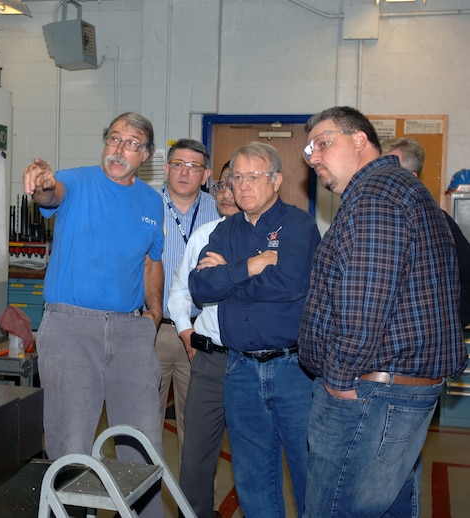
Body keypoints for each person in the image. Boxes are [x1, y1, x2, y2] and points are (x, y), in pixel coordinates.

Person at [299, 106, 468, 517]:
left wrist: (339, 380)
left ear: (360, 140)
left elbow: (365, 298)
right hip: (392, 389)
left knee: (333, 509)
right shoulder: (396, 190)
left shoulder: (375, 194)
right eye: (309, 150)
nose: (314, 157)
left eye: (324, 143)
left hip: (370, 391)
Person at [23, 112, 165, 517]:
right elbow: (51, 193)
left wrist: (153, 314)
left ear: (146, 155)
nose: (119, 149)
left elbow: (151, 260)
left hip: (131, 332)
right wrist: (43, 181)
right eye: (114, 139)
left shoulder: (152, 203)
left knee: (142, 443)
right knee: (70, 443)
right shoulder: (79, 180)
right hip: (71, 327)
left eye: (131, 143)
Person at [188, 141, 320, 518]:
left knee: (309, 472)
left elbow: (290, 284)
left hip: (293, 371)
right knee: (252, 476)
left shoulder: (299, 226)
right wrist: (252, 265)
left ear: (276, 180)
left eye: (254, 177)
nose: (242, 186)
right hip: (240, 371)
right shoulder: (224, 231)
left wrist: (228, 274)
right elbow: (201, 287)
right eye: (236, 178)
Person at [169, 167, 239, 517]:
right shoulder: (205, 234)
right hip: (209, 359)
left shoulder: (277, 237)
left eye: (236, 183)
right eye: (222, 185)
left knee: (254, 457)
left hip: (253, 362)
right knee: (195, 457)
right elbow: (180, 291)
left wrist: (232, 271)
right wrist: (185, 331)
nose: (226, 192)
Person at [156, 138, 217, 459]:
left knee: (195, 427)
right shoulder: (146, 206)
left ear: (205, 175)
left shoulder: (220, 209)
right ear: (166, 168)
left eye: (193, 167)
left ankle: (191, 506)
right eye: (178, 164)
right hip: (153, 330)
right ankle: (142, 505)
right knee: (143, 424)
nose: (184, 172)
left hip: (200, 332)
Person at [381, 137, 470, 327]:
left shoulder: (438, 222)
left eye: (389, 173)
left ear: (411, 177)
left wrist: (448, 326)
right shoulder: (378, 222)